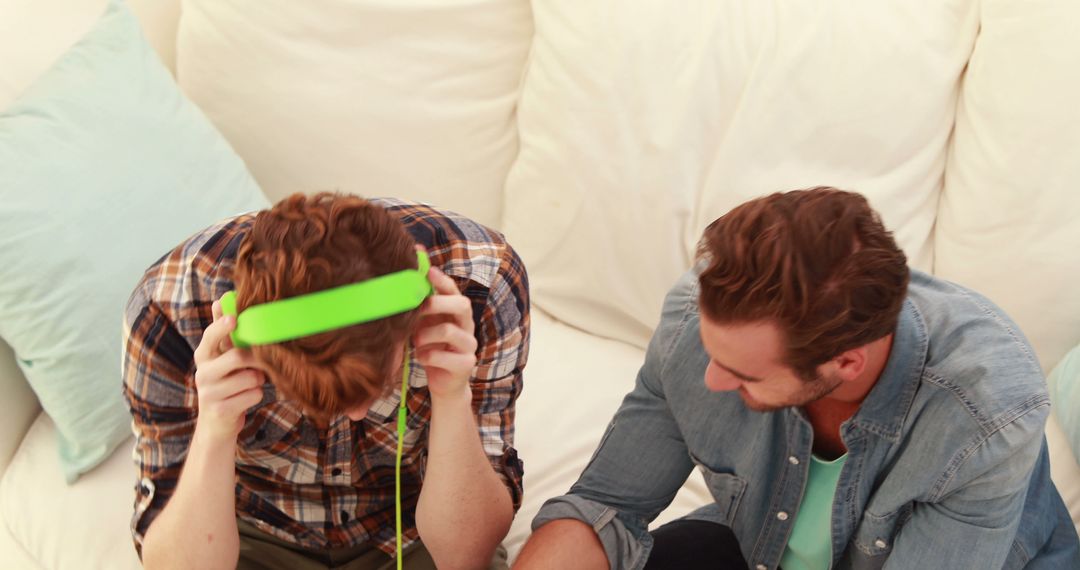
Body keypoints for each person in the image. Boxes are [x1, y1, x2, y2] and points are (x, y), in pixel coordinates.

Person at [514, 188, 1079, 570]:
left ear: (845, 364)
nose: (709, 379)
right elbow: (604, 507)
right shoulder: (702, 321)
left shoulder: (985, 410)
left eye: (743, 374)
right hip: (765, 543)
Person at [123, 193, 530, 570]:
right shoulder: (167, 310)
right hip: (250, 532)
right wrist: (215, 427)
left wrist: (451, 394)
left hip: (412, 531)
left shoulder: (481, 285)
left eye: (375, 387)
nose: (355, 413)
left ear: (417, 309)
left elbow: (465, 556)